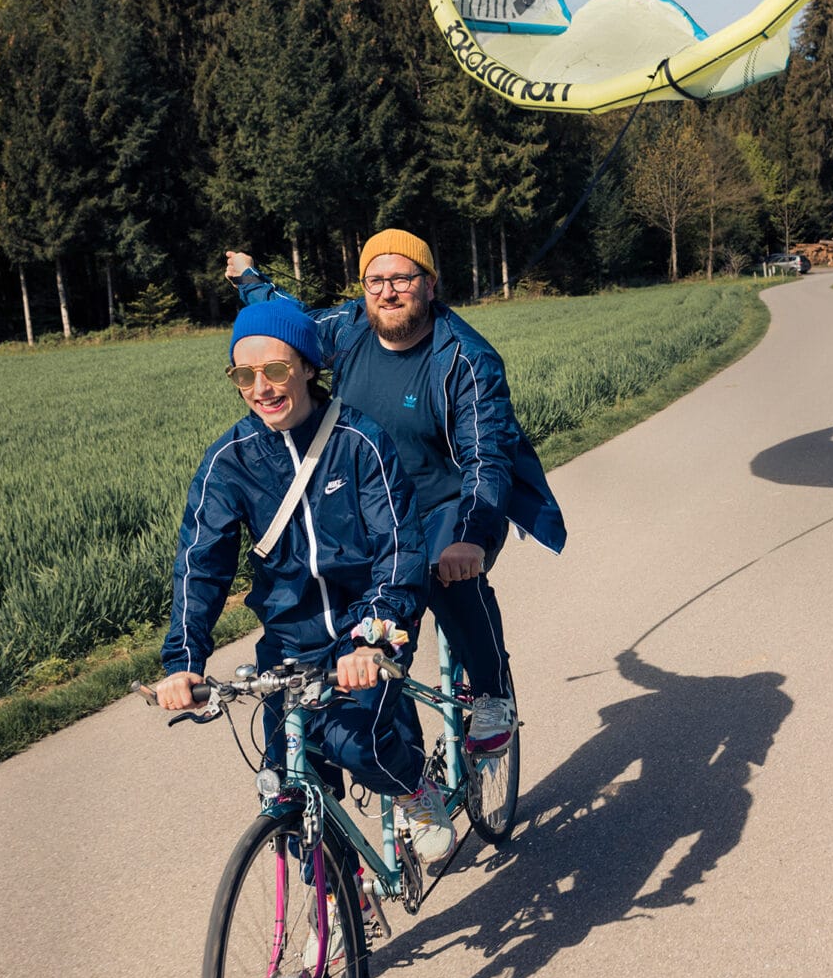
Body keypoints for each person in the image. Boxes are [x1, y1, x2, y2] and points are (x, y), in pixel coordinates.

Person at [225, 229, 567, 757]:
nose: (387, 292)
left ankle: (493, 693)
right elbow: (286, 323)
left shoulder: (465, 359)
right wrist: (249, 278)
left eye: (402, 278)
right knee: (349, 615)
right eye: (375, 280)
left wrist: (471, 539)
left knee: (447, 577)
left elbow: (486, 458)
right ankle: (388, 757)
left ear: (429, 284)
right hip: (368, 503)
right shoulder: (349, 327)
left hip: (449, 504)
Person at [158, 298, 455, 867]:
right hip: (288, 644)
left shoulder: (359, 440)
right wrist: (185, 660)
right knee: (288, 782)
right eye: (244, 375)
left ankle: (417, 788)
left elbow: (398, 546)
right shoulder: (229, 461)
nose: (260, 387)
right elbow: (201, 563)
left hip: (365, 624)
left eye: (275, 370)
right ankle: (341, 907)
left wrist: (372, 637)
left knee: (353, 741)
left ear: (308, 366)